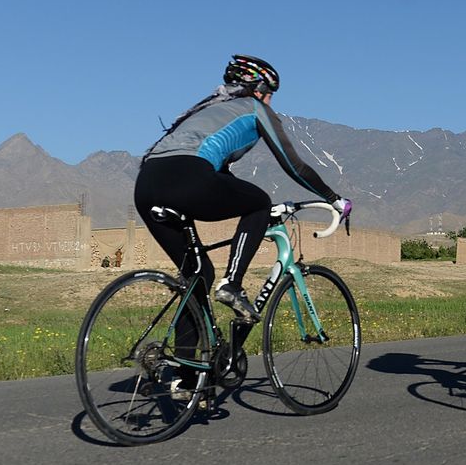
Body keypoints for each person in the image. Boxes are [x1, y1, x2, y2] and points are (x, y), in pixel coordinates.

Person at [134, 55, 351, 325]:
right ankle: (233, 285)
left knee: (197, 276)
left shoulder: (203, 111)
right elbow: (293, 165)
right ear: (259, 90)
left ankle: (187, 365)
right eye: (270, 94)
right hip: (189, 175)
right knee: (259, 202)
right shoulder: (255, 108)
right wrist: (334, 199)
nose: (271, 102)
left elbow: (218, 172)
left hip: (145, 184)